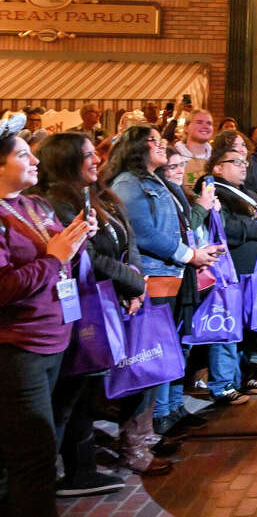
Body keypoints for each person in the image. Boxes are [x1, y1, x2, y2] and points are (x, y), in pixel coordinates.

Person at [35, 132, 163, 491]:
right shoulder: (55, 202)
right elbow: (88, 256)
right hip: (80, 306)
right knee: (70, 394)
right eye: (88, 155)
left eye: (96, 152)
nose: (97, 159)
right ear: (65, 161)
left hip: (112, 296)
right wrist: (133, 283)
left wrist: (135, 276)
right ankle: (66, 472)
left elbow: (129, 239)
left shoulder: (100, 195)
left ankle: (80, 468)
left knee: (83, 391)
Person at [0, 115, 91, 517]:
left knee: (39, 447)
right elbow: (5, 287)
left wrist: (78, 242)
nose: (35, 160)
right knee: (34, 455)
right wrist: (55, 258)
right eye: (23, 154)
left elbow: (63, 256)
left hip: (56, 339)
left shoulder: (33, 203)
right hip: (19, 347)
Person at [108, 128, 221, 439]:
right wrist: (189, 254)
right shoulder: (129, 184)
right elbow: (143, 232)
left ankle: (168, 412)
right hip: (155, 277)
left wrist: (194, 253)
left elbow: (177, 225)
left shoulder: (154, 180)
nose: (161, 145)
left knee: (171, 347)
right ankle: (146, 432)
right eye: (153, 140)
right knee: (151, 355)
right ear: (135, 147)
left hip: (173, 274)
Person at [194, 145, 257, 404]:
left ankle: (242, 375)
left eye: (244, 162)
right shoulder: (214, 191)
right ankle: (224, 383)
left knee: (250, 327)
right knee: (229, 328)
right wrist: (253, 230)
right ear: (218, 167)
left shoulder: (247, 192)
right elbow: (222, 227)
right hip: (233, 271)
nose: (243, 166)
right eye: (235, 162)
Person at [174, 109, 214, 189]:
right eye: (199, 122)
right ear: (186, 127)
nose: (205, 126)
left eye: (209, 123)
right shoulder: (173, 157)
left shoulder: (217, 158)